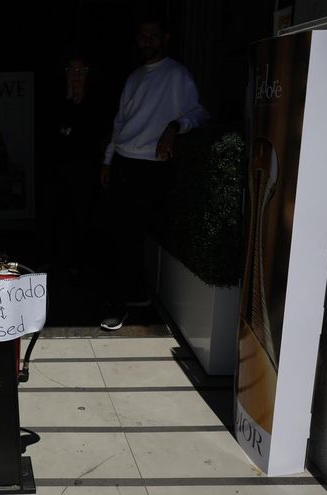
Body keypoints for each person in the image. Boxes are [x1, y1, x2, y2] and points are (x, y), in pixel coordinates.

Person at [99, 17, 209, 331]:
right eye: (142, 36)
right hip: (123, 162)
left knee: (131, 237)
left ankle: (123, 305)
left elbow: (198, 113)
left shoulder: (177, 75)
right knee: (119, 236)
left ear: (165, 38)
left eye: (153, 36)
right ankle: (132, 298)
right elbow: (120, 123)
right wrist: (108, 160)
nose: (147, 40)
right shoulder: (134, 77)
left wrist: (175, 128)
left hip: (150, 167)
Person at [50, 54, 108, 281]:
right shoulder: (56, 99)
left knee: (82, 215)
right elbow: (57, 132)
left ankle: (80, 263)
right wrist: (67, 102)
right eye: (71, 71)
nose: (76, 76)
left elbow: (89, 133)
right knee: (58, 214)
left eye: (81, 71)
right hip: (58, 167)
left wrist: (70, 127)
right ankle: (57, 260)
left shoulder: (97, 101)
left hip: (85, 168)